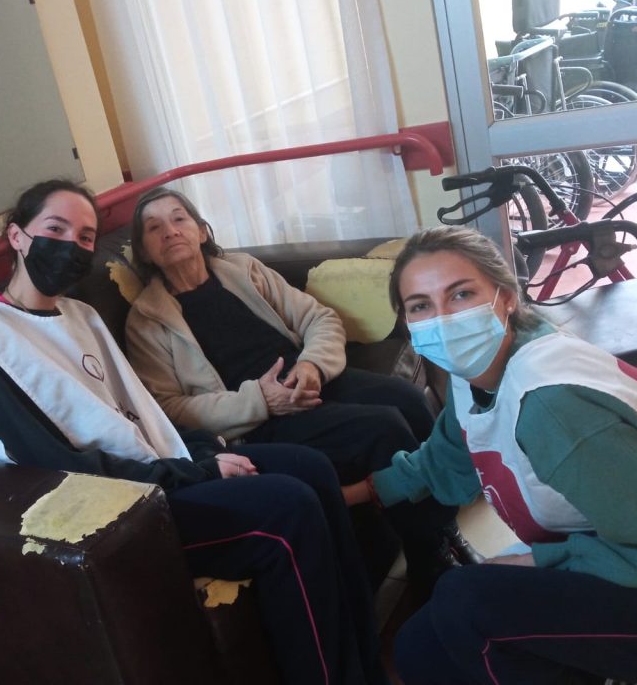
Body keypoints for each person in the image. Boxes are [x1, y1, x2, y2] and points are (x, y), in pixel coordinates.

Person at [0, 179, 387, 685]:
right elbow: (58, 469)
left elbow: (141, 414)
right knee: (289, 505)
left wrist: (206, 451)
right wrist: (196, 473)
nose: (71, 245)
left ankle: (365, 662)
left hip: (161, 470)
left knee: (311, 469)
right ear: (18, 236)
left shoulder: (79, 315)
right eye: (56, 229)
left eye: (85, 236)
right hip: (117, 509)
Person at [344, 224, 637, 685]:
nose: (443, 320)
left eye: (461, 294)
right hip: (631, 551)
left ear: (507, 298)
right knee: (419, 647)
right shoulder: (478, 374)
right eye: (420, 306)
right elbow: (445, 461)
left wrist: (537, 561)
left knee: (466, 599)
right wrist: (350, 494)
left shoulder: (552, 408)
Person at [124, 186, 481, 583]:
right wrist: (261, 400)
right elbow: (168, 407)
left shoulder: (244, 270)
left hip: (307, 378)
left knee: (407, 399)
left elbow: (318, 318)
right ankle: (429, 557)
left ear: (202, 230)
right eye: (154, 228)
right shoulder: (147, 319)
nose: (170, 231)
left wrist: (312, 365)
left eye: (179, 219)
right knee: (382, 427)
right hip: (255, 419)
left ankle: (446, 528)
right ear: (144, 251)